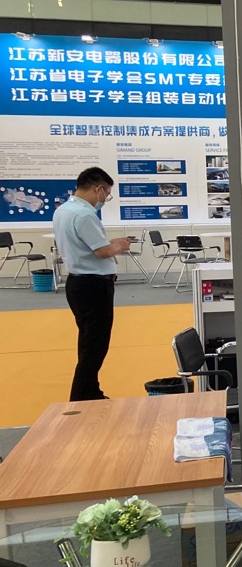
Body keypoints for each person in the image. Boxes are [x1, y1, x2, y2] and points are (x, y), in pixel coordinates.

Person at [52, 167, 133, 401]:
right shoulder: (84, 214)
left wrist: (110, 243)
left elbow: (87, 244)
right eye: (107, 194)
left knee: (88, 341)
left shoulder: (63, 210)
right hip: (93, 285)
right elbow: (102, 251)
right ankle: (81, 396)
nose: (105, 199)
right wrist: (120, 245)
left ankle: (91, 390)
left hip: (78, 283)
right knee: (95, 346)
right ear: (98, 189)